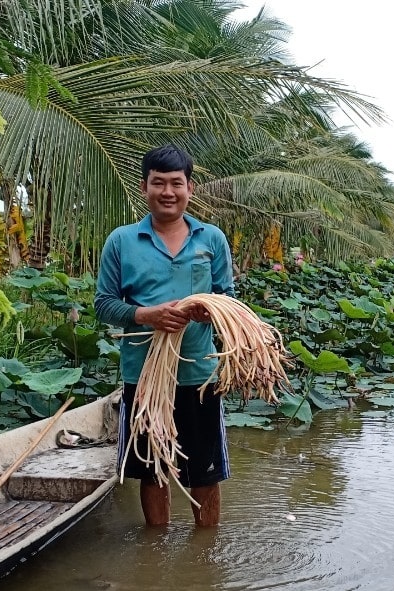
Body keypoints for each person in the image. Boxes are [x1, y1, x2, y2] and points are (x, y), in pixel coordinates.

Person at [93, 145, 235, 527]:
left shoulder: (212, 240)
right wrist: (146, 315)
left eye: (177, 183)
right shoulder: (121, 241)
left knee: (205, 473)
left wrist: (210, 310)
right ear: (145, 187)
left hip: (198, 376)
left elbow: (228, 299)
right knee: (153, 469)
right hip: (143, 378)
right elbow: (104, 304)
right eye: (159, 183)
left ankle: (205, 556)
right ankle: (155, 548)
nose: (168, 192)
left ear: (189, 188)